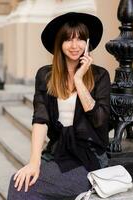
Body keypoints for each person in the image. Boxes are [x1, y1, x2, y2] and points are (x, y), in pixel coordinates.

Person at [7, 12, 111, 200]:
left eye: (80, 39)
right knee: (19, 183)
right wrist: (34, 161)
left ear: (87, 43)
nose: (74, 45)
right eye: (68, 39)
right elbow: (40, 119)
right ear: (59, 44)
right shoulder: (46, 76)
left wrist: (79, 79)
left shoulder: (100, 76)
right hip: (58, 152)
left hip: (89, 157)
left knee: (25, 189)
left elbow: (99, 120)